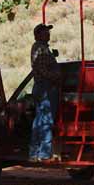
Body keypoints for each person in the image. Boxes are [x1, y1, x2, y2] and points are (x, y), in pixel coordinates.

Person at [29, 23, 61, 162]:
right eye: (45, 32)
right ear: (38, 35)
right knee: (46, 119)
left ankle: (34, 152)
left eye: (48, 32)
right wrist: (57, 77)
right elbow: (42, 70)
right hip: (45, 87)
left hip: (41, 86)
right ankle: (44, 153)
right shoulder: (40, 49)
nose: (48, 34)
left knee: (39, 119)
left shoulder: (41, 48)